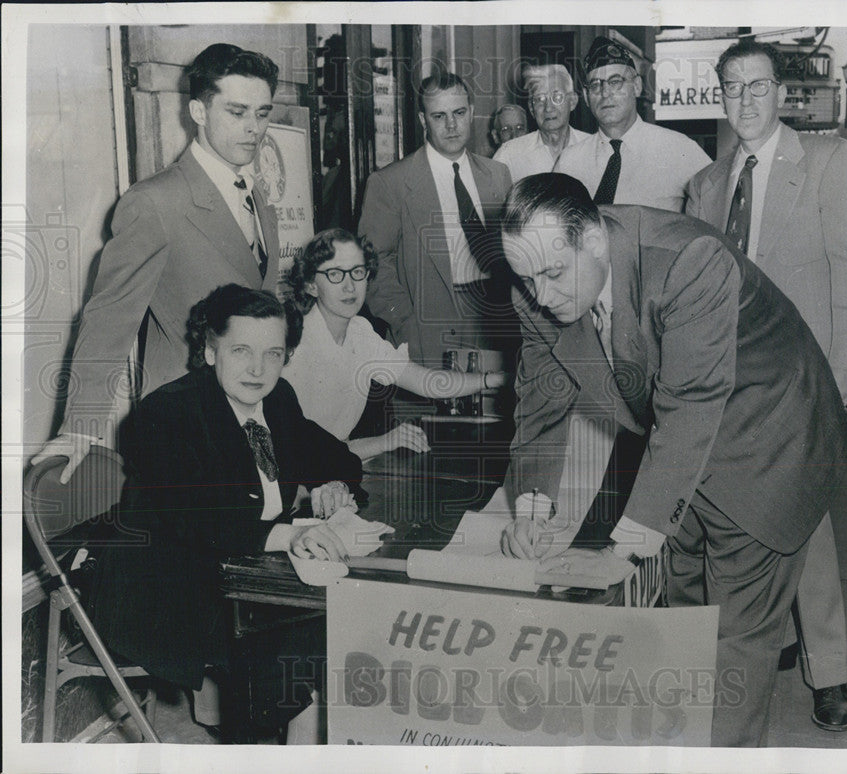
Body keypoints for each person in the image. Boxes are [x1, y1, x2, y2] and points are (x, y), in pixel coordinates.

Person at [497, 173, 847, 747]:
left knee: (733, 648)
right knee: (686, 620)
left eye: (554, 274)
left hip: (769, 439)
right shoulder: (534, 289)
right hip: (678, 451)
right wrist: (533, 511)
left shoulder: (688, 259)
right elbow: (540, 404)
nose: (541, 295)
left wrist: (624, 552)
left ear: (592, 239)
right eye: (526, 277)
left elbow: (691, 406)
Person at [89, 284, 382, 743]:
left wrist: (333, 484)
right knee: (296, 634)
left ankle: (297, 739)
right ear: (209, 351)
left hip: (244, 575)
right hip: (166, 587)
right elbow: (196, 519)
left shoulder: (278, 398)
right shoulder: (168, 412)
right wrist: (288, 536)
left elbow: (336, 456)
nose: (257, 368)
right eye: (241, 350)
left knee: (332, 619)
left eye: (273, 353)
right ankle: (279, 739)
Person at [685, 38, 847, 732]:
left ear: (781, 91)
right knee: (735, 517)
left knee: (809, 522)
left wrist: (846, 366)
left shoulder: (829, 162)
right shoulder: (706, 185)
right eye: (732, 88)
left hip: (803, 381)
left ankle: (829, 671)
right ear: (721, 96)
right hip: (728, 389)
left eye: (758, 86)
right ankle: (766, 643)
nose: (746, 100)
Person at [31, 43, 282, 483]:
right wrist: (80, 429)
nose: (253, 129)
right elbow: (108, 320)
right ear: (198, 112)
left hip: (249, 415)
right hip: (183, 424)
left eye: (262, 114)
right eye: (237, 112)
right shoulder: (154, 202)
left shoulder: (257, 198)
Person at [282, 229, 508, 461]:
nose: (350, 286)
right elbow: (304, 453)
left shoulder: (359, 332)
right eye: (335, 274)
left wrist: (493, 379)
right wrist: (384, 442)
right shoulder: (297, 345)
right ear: (311, 285)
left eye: (357, 272)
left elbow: (426, 382)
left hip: (336, 466)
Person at [358, 72, 517, 383]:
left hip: (493, 327)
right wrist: (405, 322)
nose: (452, 125)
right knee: (428, 428)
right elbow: (373, 264)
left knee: (493, 425)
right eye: (439, 116)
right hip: (424, 331)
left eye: (459, 113)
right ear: (422, 119)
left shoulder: (499, 176)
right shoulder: (390, 183)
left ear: (472, 112)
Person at [555, 36, 708, 211]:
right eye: (595, 85)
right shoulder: (569, 162)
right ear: (587, 97)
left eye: (615, 82)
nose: (605, 93)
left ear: (636, 86)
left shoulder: (680, 150)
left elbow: (717, 209)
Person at [493, 63, 590, 183]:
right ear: (531, 108)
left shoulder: (592, 149)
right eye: (540, 99)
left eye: (557, 97)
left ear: (572, 101)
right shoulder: (509, 155)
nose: (548, 108)